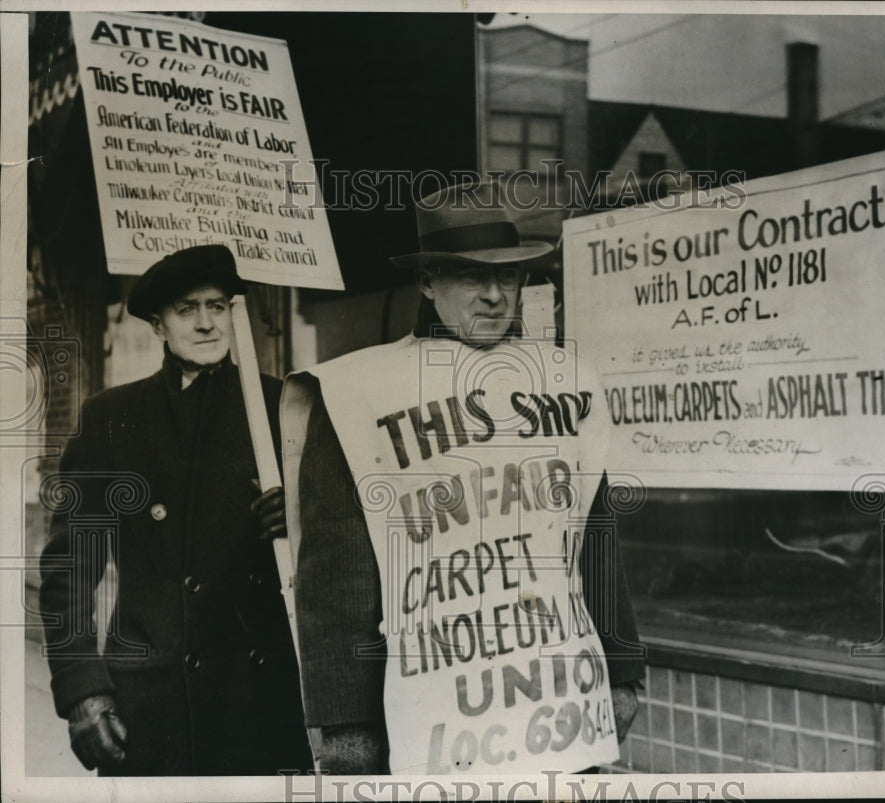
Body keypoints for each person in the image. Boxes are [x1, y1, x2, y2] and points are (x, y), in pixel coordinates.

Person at [281, 183, 645, 775]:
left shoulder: (560, 383)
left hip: (557, 700)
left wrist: (623, 670)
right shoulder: (359, 396)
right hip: (433, 714)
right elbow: (337, 577)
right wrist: (347, 724)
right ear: (427, 284)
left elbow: (593, 534)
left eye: (510, 278)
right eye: (472, 278)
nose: (496, 296)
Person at [38, 244, 312, 776]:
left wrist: (304, 519)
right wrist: (81, 690)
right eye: (188, 309)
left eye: (218, 306)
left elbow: (343, 550)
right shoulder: (111, 420)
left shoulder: (288, 409)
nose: (207, 323)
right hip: (152, 709)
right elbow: (70, 571)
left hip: (259, 707)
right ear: (159, 326)